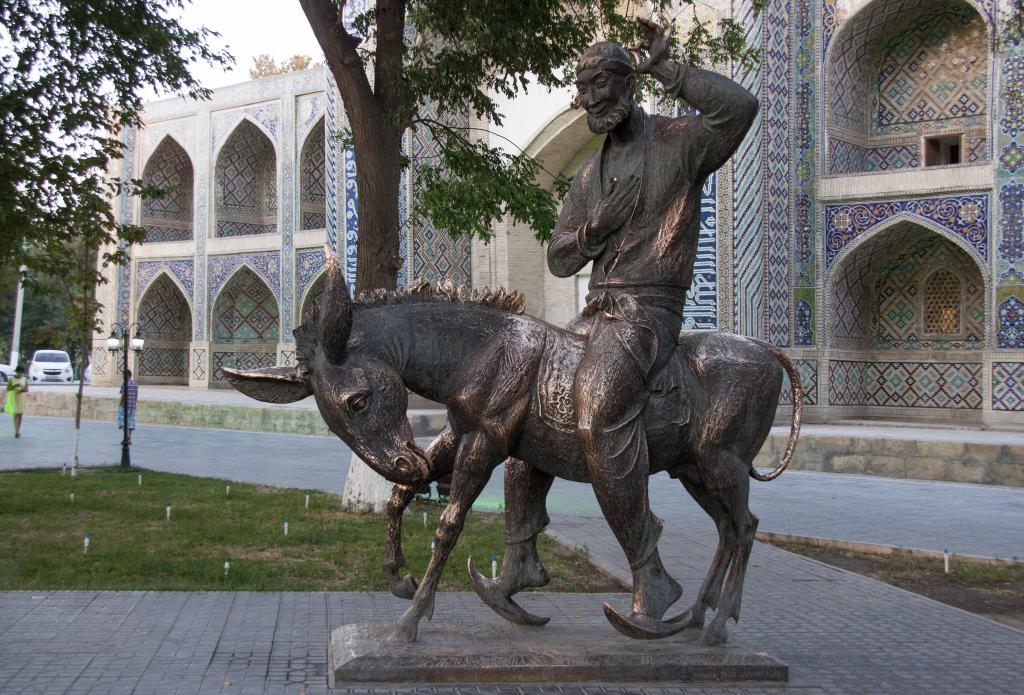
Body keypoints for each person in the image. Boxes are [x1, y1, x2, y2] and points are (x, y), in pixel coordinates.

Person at [546, 19, 758, 627]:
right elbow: (560, 259)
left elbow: (741, 108)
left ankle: (650, 571)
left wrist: (670, 68)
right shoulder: (590, 175)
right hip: (599, 308)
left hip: (649, 311)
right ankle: (520, 555)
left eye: (599, 88)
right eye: (582, 91)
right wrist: (596, 228)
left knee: (595, 400)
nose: (589, 101)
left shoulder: (678, 143)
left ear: (626, 83)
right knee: (524, 396)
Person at [4, 365, 28, 438]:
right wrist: (15, 386)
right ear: (16, 372)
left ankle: (18, 429)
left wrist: (21, 389)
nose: (20, 374)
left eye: (21, 373)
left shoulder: (24, 379)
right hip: (14, 397)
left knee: (20, 414)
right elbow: (8, 388)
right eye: (18, 372)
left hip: (22, 397)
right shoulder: (11, 379)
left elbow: (26, 389)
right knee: (16, 414)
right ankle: (17, 431)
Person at [118, 369, 139, 443]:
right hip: (132, 406)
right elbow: (136, 396)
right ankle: (129, 437)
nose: (122, 377)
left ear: (127, 375)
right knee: (131, 422)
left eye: (123, 375)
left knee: (122, 421)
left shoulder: (125, 383)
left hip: (124, 405)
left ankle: (126, 436)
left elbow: (123, 395)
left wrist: (120, 404)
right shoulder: (135, 384)